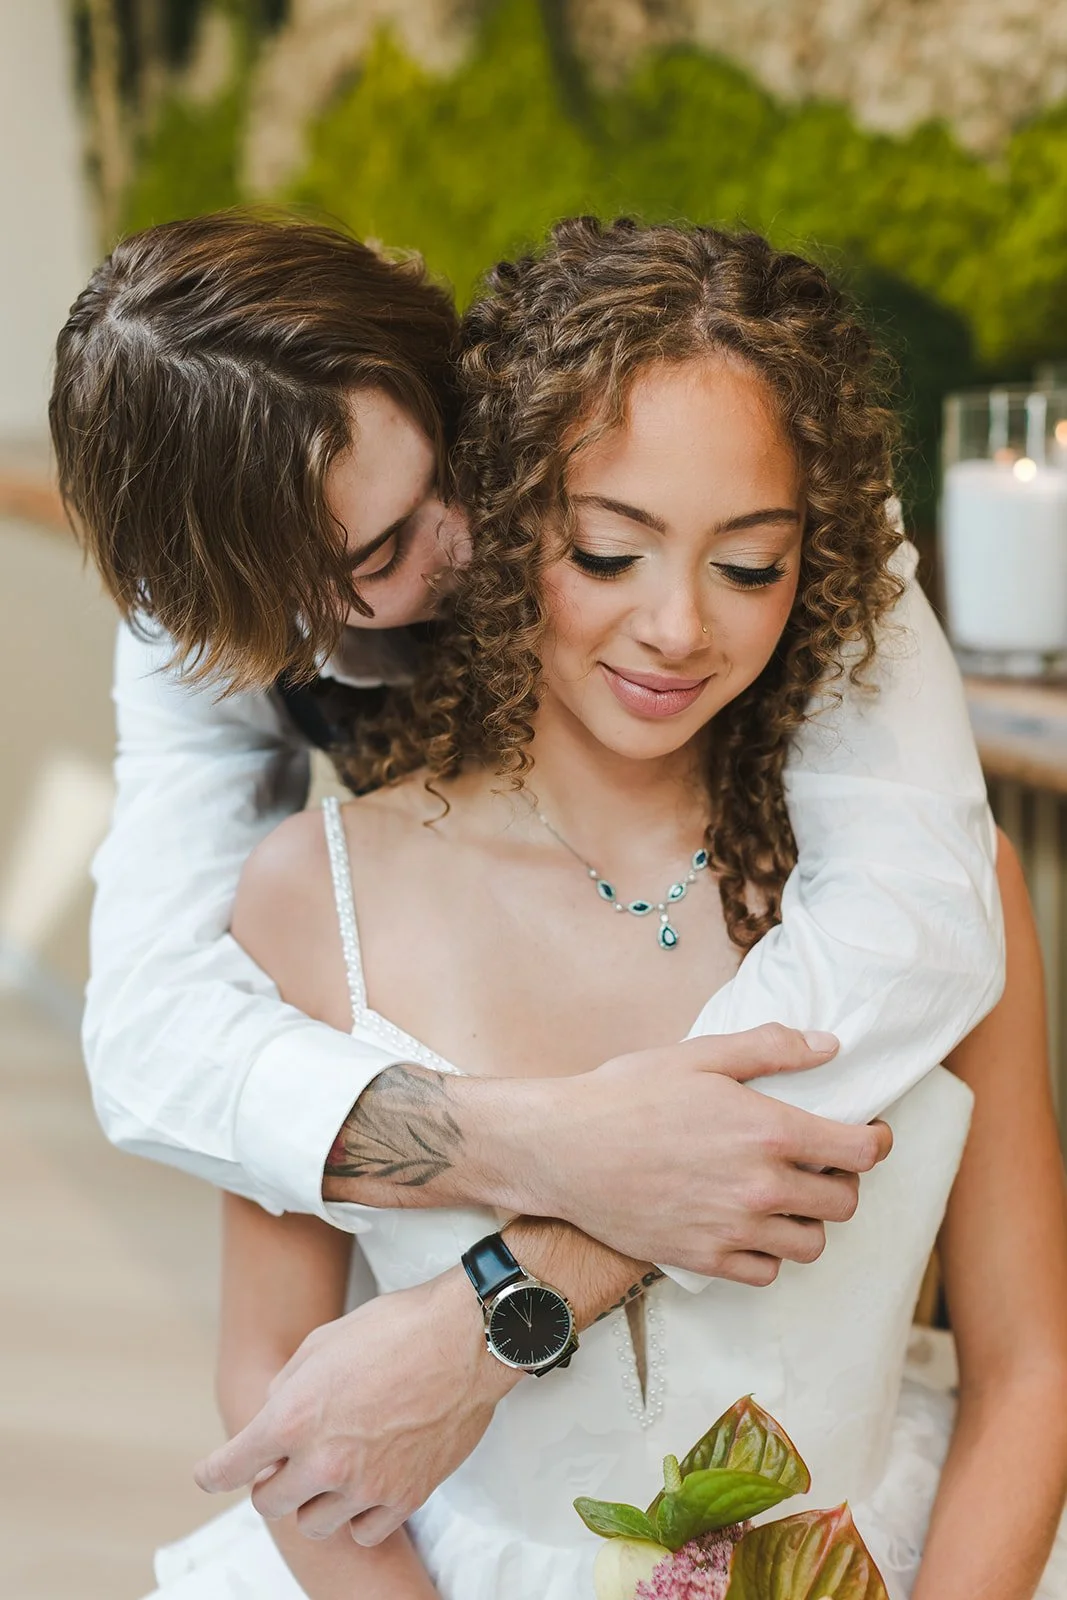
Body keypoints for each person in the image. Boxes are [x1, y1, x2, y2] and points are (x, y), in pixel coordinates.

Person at [50, 213, 1001, 1534]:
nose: (461, 539)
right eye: (374, 563)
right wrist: (547, 1143)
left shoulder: (722, 439)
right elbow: (153, 1041)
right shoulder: (211, 642)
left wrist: (504, 1298)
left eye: (449, 470)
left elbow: (920, 921)